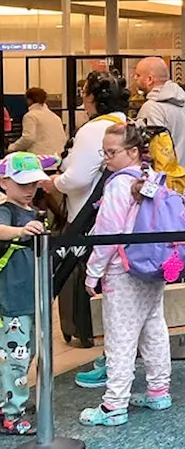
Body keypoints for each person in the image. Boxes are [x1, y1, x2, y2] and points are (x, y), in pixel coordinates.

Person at [80, 124, 173, 428]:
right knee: (153, 328)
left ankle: (114, 405)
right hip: (154, 266)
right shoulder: (152, 178)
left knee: (120, 337)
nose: (106, 158)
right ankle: (159, 391)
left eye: (112, 152)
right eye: (104, 152)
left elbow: (108, 231)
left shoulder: (118, 185)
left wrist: (92, 272)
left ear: (132, 152)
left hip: (123, 269)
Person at [48, 71, 130, 361]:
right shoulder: (128, 124)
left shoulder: (94, 130)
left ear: (93, 98)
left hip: (91, 217)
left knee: (99, 286)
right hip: (126, 219)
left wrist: (53, 183)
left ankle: (111, 360)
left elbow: (78, 178)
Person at [0, 151, 56, 436]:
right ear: (4, 182)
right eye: (22, 184)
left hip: (33, 297)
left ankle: (11, 400)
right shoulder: (6, 211)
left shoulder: (34, 211)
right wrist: (20, 230)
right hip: (12, 301)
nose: (29, 189)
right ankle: (10, 413)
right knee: (15, 359)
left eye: (33, 183)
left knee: (29, 353)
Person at [133, 56, 185, 188]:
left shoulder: (152, 108)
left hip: (167, 186)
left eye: (138, 75)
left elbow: (150, 150)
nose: (134, 79)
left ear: (149, 79)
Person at [7, 87, 67, 156]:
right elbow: (63, 138)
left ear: (29, 100)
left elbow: (28, 139)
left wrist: (12, 147)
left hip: (39, 158)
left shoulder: (30, 116)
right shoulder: (55, 117)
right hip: (57, 157)